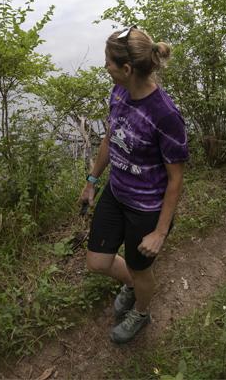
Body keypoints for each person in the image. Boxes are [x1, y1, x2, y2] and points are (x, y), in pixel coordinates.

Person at [79, 25, 188, 344]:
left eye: (108, 62)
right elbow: (110, 138)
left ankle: (141, 311)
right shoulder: (118, 92)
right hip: (116, 192)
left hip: (147, 210)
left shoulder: (165, 114)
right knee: (97, 261)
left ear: (126, 69)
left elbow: (176, 179)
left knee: (142, 271)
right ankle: (133, 284)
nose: (105, 67)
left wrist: (160, 231)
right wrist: (92, 181)